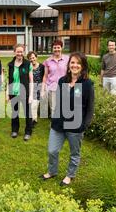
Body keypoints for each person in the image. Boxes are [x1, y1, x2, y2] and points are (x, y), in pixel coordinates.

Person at [40, 52, 95, 186]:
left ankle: (70, 175)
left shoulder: (87, 84)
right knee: (52, 150)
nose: (75, 65)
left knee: (74, 153)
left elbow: (90, 108)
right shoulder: (62, 81)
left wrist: (84, 125)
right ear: (68, 64)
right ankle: (52, 171)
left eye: (78, 63)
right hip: (58, 123)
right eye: (72, 62)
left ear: (83, 66)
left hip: (76, 125)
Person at [7, 44, 34, 141]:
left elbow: (31, 80)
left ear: (23, 52)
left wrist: (31, 95)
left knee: (28, 113)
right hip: (14, 92)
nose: (19, 53)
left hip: (25, 92)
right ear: (14, 52)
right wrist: (7, 93)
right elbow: (9, 79)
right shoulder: (10, 64)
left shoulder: (28, 64)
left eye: (21, 51)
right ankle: (15, 130)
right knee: (15, 112)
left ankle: (28, 132)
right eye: (18, 51)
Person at [41, 40, 69, 117]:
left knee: (65, 107)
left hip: (65, 86)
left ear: (61, 48)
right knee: (53, 108)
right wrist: (43, 88)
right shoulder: (48, 61)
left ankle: (63, 125)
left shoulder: (67, 59)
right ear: (52, 49)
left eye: (58, 47)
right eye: (54, 48)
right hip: (52, 87)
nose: (56, 49)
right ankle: (54, 126)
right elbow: (45, 76)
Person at [27, 51, 45, 127]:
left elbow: (44, 77)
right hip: (31, 87)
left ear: (36, 58)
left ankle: (33, 120)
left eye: (33, 57)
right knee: (32, 104)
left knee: (35, 104)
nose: (32, 59)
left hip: (39, 87)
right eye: (30, 58)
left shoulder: (41, 66)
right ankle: (34, 119)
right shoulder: (28, 67)